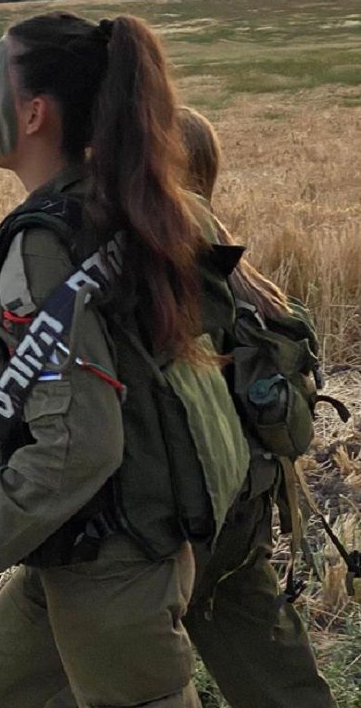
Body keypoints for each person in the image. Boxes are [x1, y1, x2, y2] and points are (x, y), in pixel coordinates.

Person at [0, 12, 249, 707]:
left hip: (113, 573)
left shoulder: (46, 245)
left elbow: (77, 449)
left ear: (35, 114)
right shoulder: (121, 208)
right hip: (85, 548)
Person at [177, 106, 336, 708]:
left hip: (188, 521)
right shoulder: (244, 274)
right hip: (245, 513)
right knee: (280, 684)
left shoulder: (175, 277)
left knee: (71, 667)